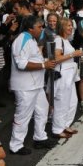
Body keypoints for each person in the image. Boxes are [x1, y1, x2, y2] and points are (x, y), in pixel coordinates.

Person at [9, 16, 57, 155]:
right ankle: (16, 145)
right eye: (39, 27)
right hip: (25, 86)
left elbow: (33, 59)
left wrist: (46, 62)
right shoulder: (22, 39)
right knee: (22, 116)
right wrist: (44, 64)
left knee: (43, 110)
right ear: (30, 28)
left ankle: (40, 137)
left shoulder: (30, 39)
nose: (42, 29)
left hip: (35, 84)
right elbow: (21, 64)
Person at [52, 18, 83, 138]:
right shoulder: (58, 40)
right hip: (62, 75)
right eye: (68, 26)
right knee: (61, 103)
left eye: (71, 25)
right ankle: (57, 129)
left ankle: (65, 125)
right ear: (62, 27)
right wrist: (73, 54)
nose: (71, 28)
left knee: (72, 101)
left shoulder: (66, 40)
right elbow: (56, 58)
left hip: (70, 75)